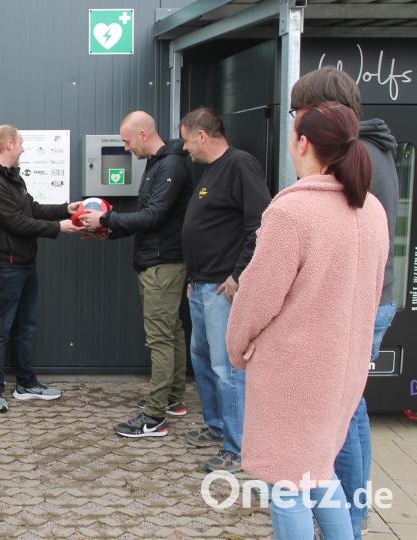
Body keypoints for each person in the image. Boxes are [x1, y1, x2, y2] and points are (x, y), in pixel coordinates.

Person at [228, 100, 387, 540]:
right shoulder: (370, 209)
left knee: (289, 485)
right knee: (319, 472)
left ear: (303, 142)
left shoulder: (291, 212)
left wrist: (238, 347)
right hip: (342, 368)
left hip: (293, 371)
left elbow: (256, 298)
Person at [290, 66, 400, 539]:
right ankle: (347, 516)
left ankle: (347, 519)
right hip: (367, 300)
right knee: (347, 412)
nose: (297, 124)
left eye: (299, 112)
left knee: (342, 416)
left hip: (358, 304)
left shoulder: (361, 157)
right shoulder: (371, 150)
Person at [78, 111, 193, 438]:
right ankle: (172, 399)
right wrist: (108, 231)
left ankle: (154, 416)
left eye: (127, 142)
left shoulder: (169, 165)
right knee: (172, 331)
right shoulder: (160, 163)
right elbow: (150, 217)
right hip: (161, 259)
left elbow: (153, 216)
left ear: (144, 134)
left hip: (161, 265)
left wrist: (107, 222)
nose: (126, 149)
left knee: (160, 337)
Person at [178, 108, 270, 472]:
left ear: (202, 135)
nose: (185, 148)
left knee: (226, 366)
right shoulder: (211, 170)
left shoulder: (240, 165)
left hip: (222, 289)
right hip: (200, 285)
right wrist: (193, 276)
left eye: (186, 140)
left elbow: (260, 223)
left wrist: (239, 274)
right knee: (201, 358)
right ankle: (216, 427)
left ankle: (238, 448)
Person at [0, 125, 83, 412]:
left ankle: (26, 383)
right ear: (8, 144)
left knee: (26, 328)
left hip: (24, 264)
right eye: (20, 143)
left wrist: (66, 209)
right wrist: (60, 228)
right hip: (5, 266)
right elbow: (15, 223)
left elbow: (31, 209)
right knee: (0, 330)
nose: (23, 148)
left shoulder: (12, 178)